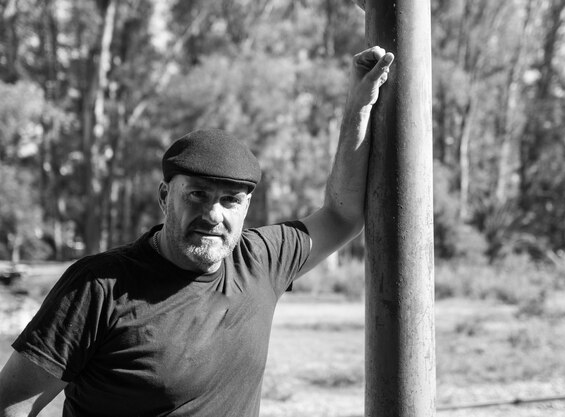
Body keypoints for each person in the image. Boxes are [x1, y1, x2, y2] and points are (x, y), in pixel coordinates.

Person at [0, 46, 394, 417]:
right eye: (197, 195)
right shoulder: (99, 286)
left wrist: (359, 106)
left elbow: (342, 216)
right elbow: (12, 404)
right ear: (164, 196)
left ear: (246, 208)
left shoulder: (260, 261)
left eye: (230, 200)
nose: (212, 214)